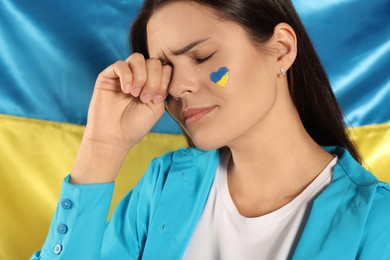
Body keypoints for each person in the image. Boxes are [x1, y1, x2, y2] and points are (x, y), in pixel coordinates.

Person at [32, 0, 390, 259]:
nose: (177, 87)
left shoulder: (377, 222)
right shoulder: (165, 184)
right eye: (165, 69)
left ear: (281, 49)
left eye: (202, 57)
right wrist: (102, 146)